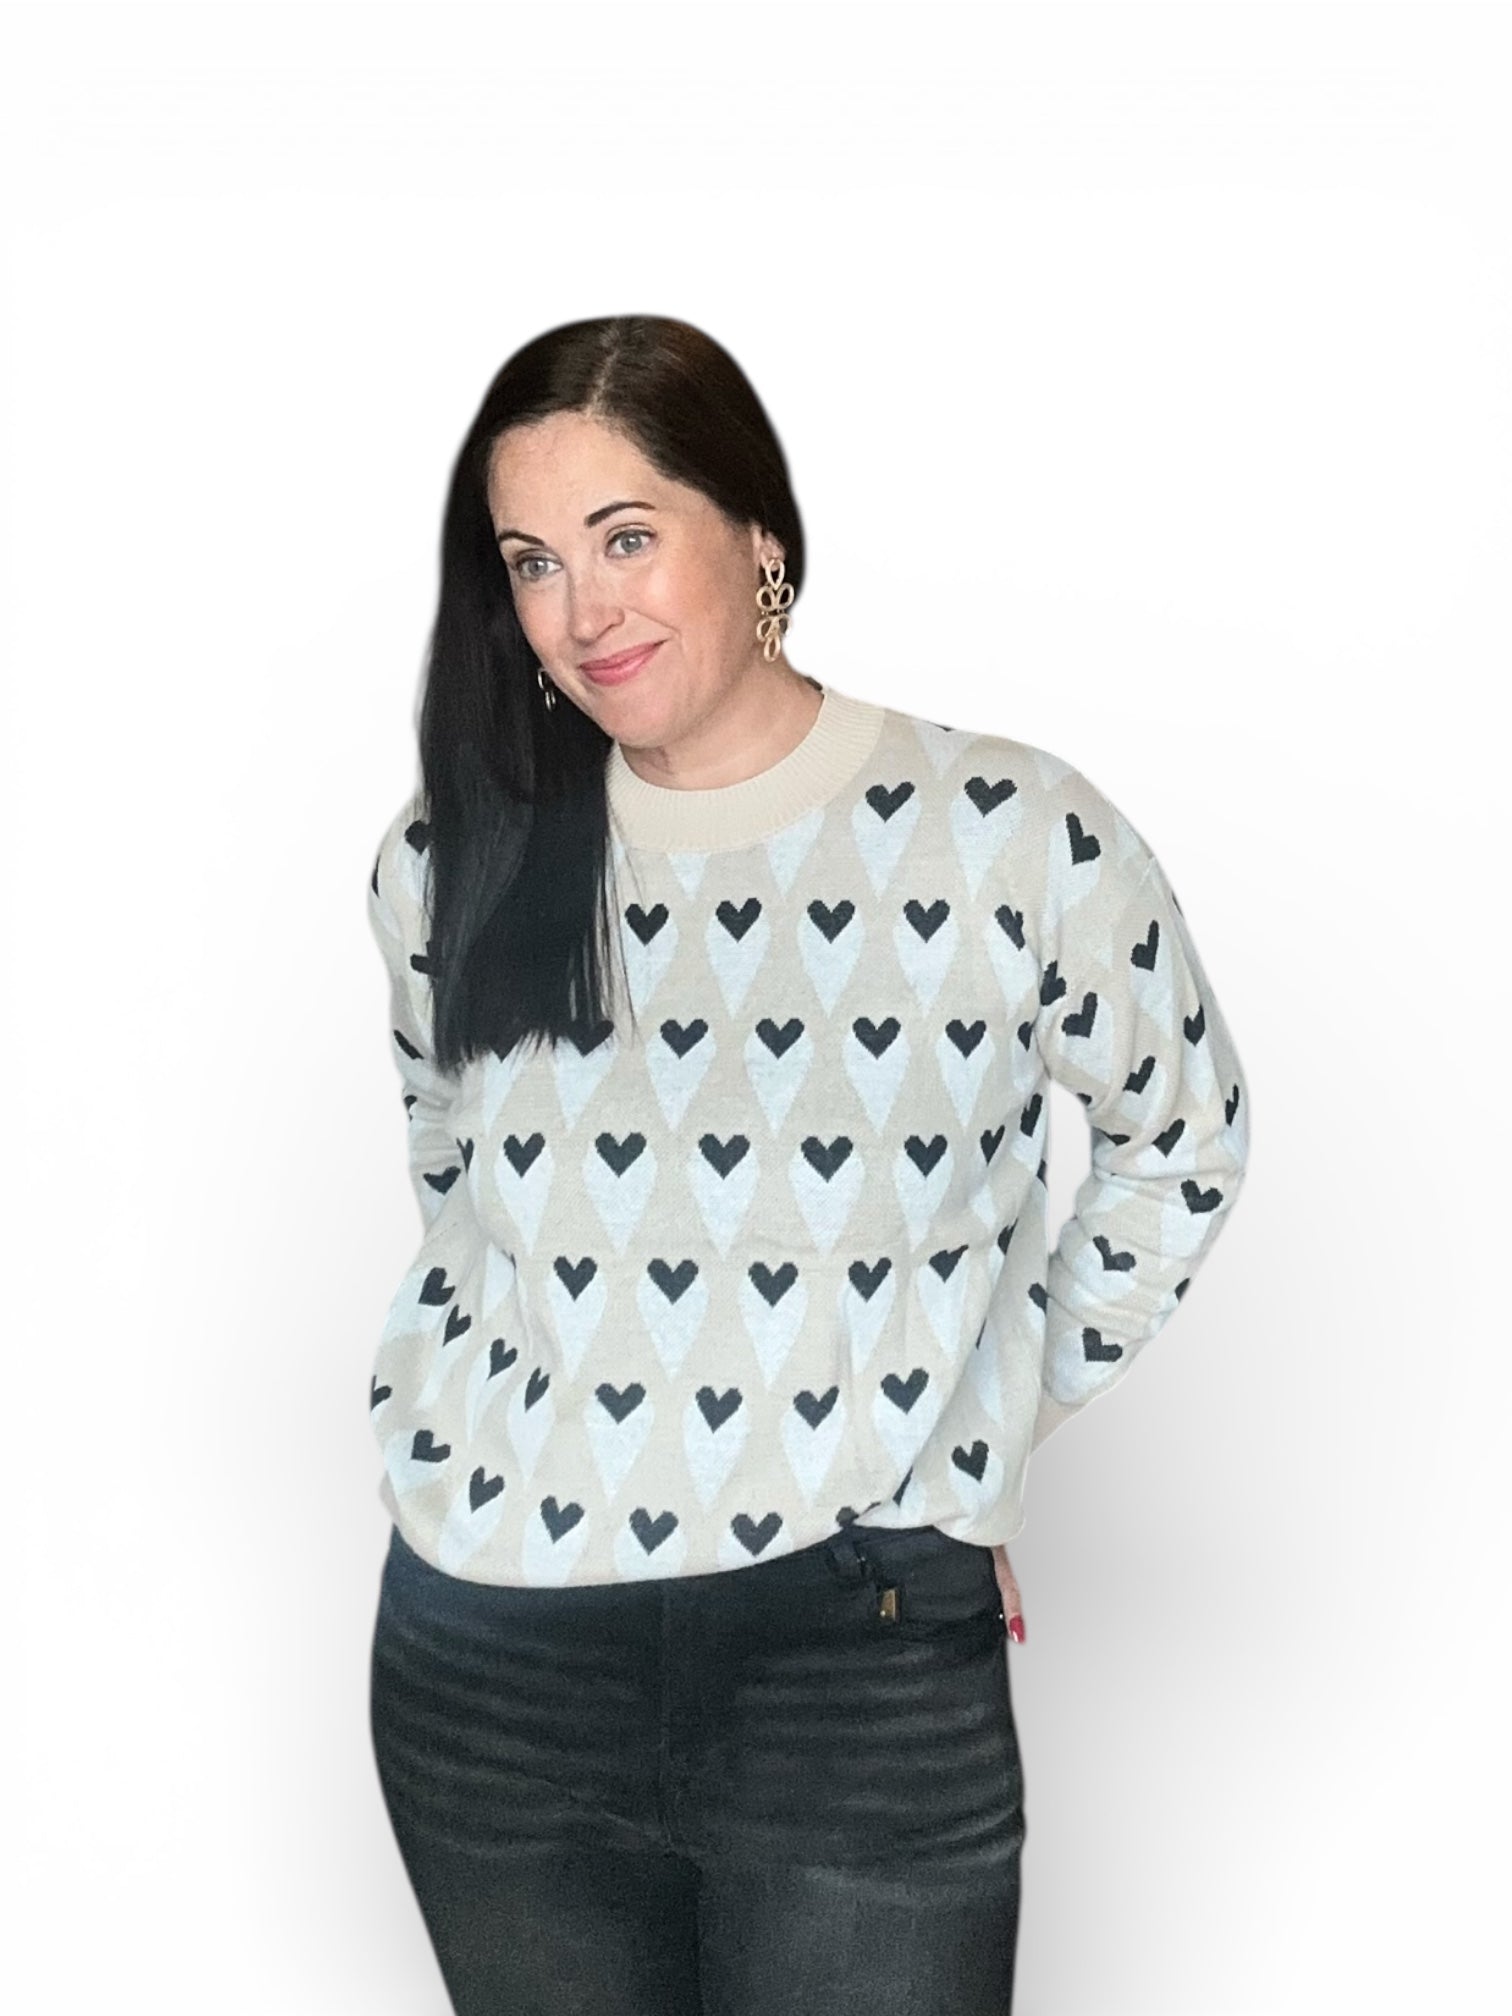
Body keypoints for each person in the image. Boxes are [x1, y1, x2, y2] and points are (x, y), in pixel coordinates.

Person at [364, 314, 1251, 2015]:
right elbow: (462, 1184)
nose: (584, 610)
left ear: (758, 535)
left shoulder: (1012, 836)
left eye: (628, 538)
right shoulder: (449, 857)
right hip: (491, 1667)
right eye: (534, 563)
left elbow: (1184, 1146)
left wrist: (973, 1426)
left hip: (856, 1657)